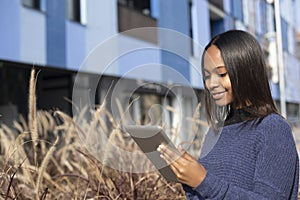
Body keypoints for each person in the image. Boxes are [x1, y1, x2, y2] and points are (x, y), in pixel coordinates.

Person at [157, 30, 299, 199]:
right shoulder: (215, 132)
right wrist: (187, 177)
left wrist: (202, 180)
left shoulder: (272, 128)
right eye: (207, 76)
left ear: (246, 70)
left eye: (222, 74)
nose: (211, 84)